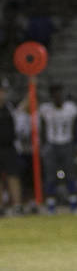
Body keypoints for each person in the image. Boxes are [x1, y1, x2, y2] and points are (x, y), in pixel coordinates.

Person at [37, 82, 77, 214]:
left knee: (70, 174)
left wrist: (76, 144)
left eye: (59, 93)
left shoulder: (71, 108)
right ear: (51, 96)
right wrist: (44, 145)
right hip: (51, 144)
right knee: (51, 176)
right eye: (54, 94)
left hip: (67, 143)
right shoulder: (45, 109)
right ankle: (51, 205)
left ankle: (73, 203)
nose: (57, 96)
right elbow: (43, 128)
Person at [0, 78, 24, 216]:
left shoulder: (10, 107)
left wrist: (33, 84)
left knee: (13, 176)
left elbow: (23, 108)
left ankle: (17, 206)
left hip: (9, 146)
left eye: (3, 91)